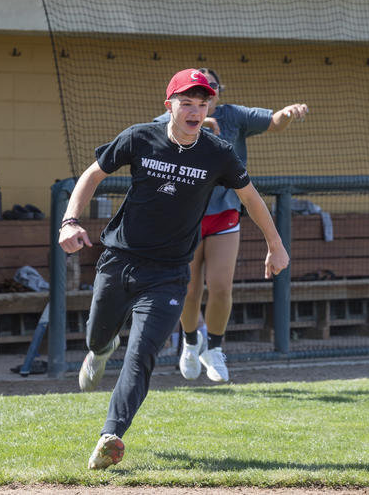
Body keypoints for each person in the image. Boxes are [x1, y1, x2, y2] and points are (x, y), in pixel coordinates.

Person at [59, 68, 289, 469]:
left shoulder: (217, 152)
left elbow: (251, 198)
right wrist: (70, 221)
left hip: (168, 273)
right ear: (169, 106)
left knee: (142, 354)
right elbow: (91, 175)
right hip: (119, 260)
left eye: (203, 104)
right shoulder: (139, 137)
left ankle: (110, 435)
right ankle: (100, 348)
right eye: (187, 103)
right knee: (99, 336)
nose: (195, 111)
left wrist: (276, 245)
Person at [155, 67, 308, 382]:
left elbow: (275, 122)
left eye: (209, 90)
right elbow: (152, 130)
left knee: (222, 285)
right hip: (186, 214)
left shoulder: (233, 116)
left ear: (216, 94)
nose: (202, 97)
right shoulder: (176, 116)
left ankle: (214, 347)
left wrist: (288, 114)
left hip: (224, 211)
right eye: (193, 95)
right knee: (189, 287)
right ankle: (190, 340)